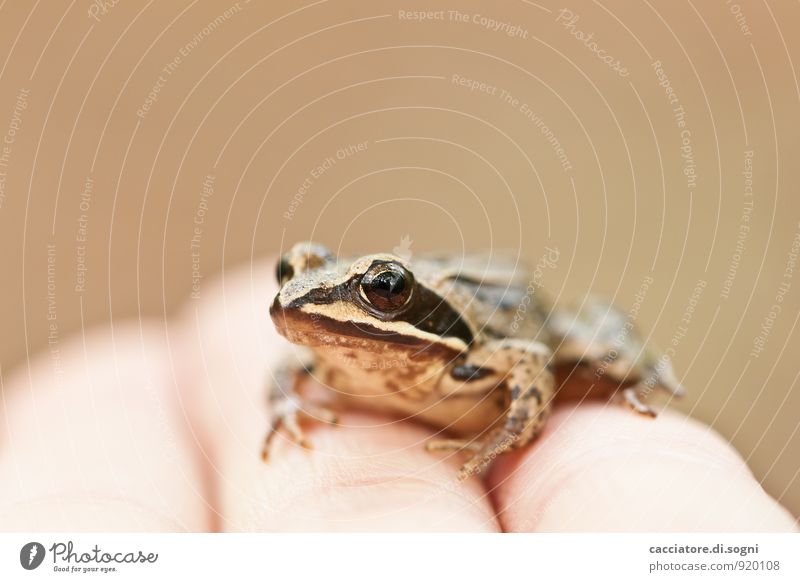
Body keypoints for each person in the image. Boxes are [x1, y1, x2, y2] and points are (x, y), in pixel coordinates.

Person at [0, 262, 795, 532]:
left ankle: (649, 371)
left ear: (401, 300)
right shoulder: (326, 364)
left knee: (603, 359)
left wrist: (499, 442)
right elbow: (289, 374)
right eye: (295, 275)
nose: (305, 298)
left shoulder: (471, 360)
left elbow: (522, 357)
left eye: (378, 290)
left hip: (499, 308)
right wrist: (286, 405)